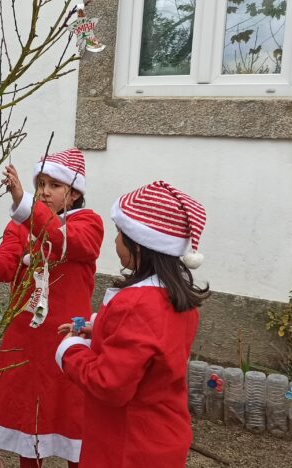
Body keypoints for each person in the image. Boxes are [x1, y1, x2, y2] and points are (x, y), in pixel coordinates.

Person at [0, 149, 104, 468]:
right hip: (26, 338)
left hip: (67, 340)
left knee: (73, 422)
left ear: (74, 192)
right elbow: (7, 264)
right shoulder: (20, 225)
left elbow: (62, 240)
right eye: (40, 184)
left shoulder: (88, 224)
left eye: (54, 185)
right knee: (29, 421)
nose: (44, 191)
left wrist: (23, 203)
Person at [55, 180, 208, 468]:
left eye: (119, 233)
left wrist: (71, 349)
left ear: (139, 245)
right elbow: (150, 349)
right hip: (161, 435)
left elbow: (109, 385)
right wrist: (100, 331)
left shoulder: (136, 304)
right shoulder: (177, 297)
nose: (115, 241)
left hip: (126, 444)